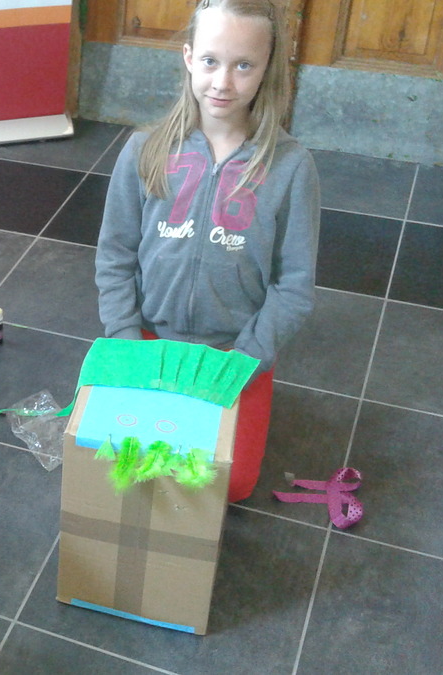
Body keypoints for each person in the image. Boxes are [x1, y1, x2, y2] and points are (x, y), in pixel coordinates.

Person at [94, 0, 319, 503]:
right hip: (150, 338)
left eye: (244, 65)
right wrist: (127, 340)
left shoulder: (292, 166)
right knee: (122, 464)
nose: (223, 82)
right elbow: (115, 255)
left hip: (234, 351)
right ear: (189, 57)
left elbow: (295, 286)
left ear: (267, 69)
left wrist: (246, 358)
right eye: (212, 61)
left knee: (229, 484)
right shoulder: (143, 149)